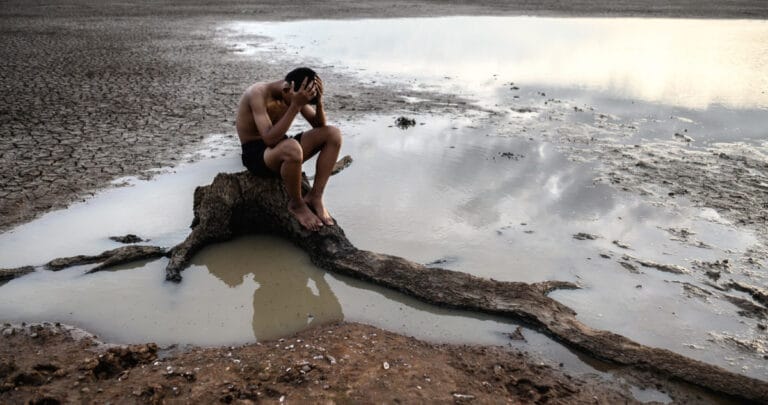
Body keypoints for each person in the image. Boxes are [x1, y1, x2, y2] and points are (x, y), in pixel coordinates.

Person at [236, 67, 342, 231]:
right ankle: (297, 204)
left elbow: (319, 126)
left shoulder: (294, 94)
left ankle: (316, 196)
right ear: (287, 89)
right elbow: (270, 139)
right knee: (292, 148)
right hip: (257, 154)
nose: (301, 106)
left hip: (281, 147)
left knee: (333, 135)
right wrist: (295, 106)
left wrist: (319, 102)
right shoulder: (257, 94)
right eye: (302, 102)